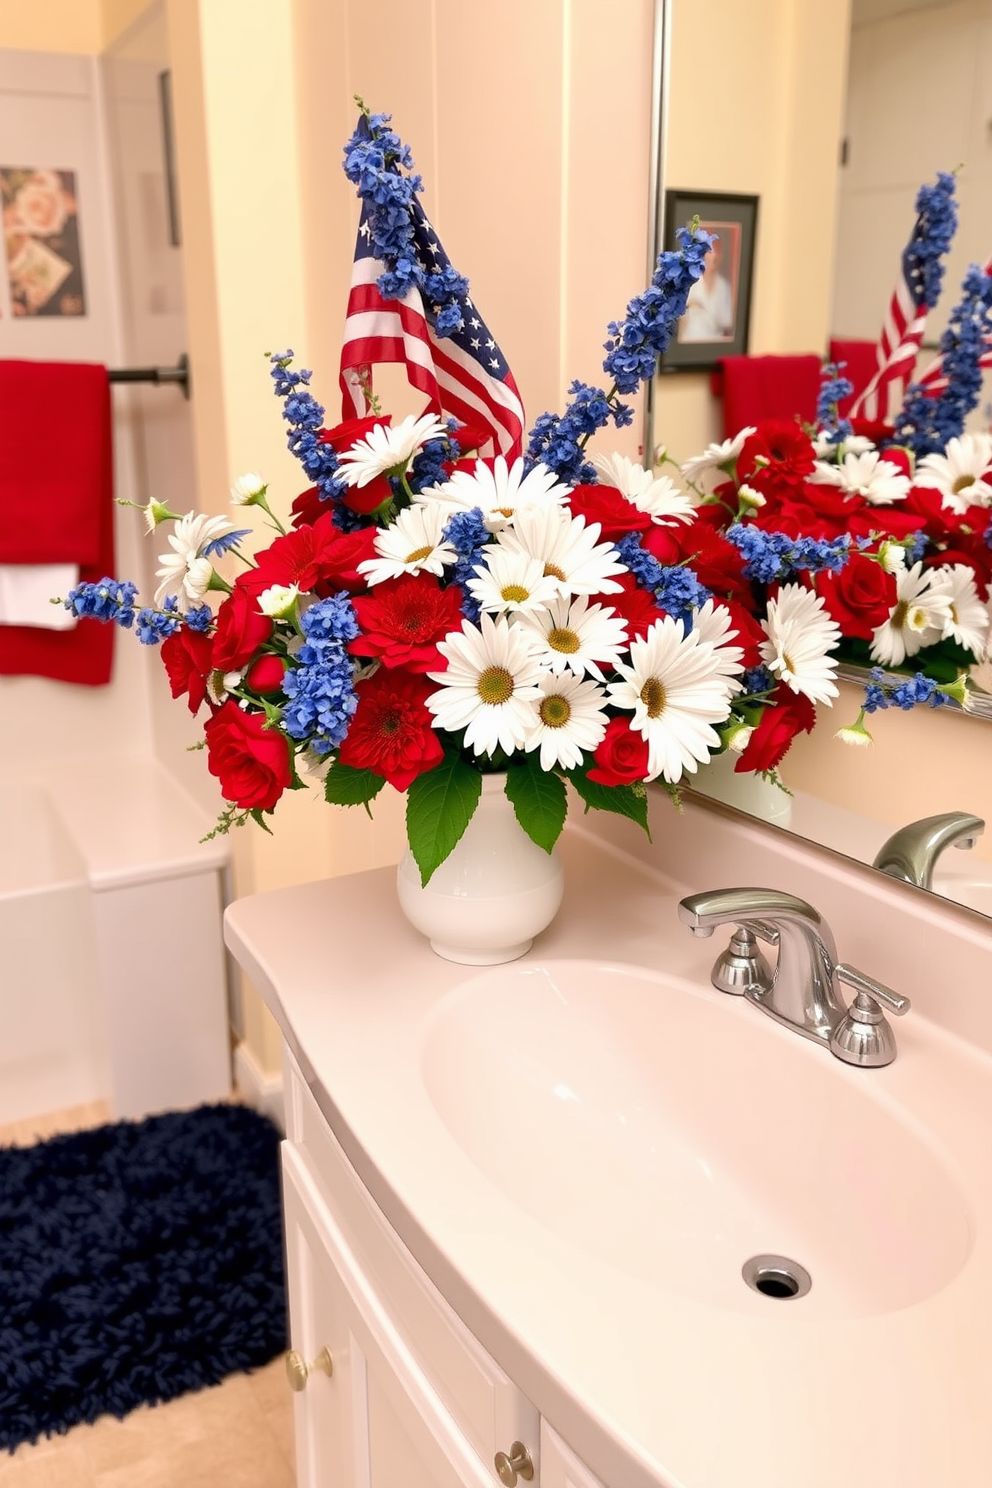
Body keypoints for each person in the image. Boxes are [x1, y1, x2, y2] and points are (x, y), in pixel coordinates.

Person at [680, 232, 734, 342]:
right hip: (690, 342)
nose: (713, 256)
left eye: (716, 252)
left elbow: (727, 322)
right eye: (710, 252)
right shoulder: (690, 281)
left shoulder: (724, 286)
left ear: (720, 256)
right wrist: (689, 306)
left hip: (714, 345)